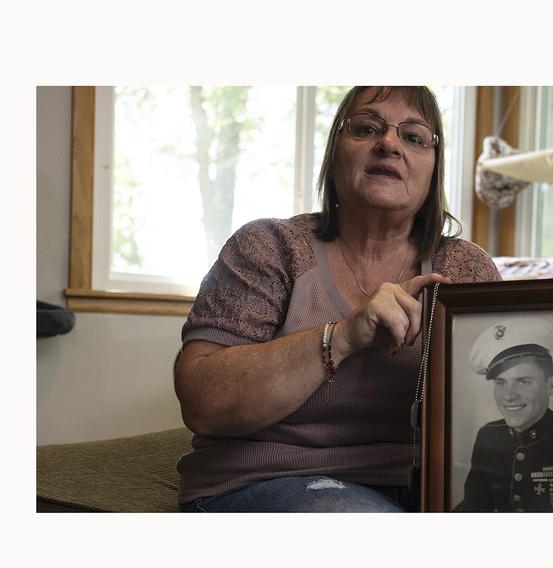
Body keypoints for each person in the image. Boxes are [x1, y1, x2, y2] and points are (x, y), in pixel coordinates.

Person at [173, 86, 500, 512]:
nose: (388, 144)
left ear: (434, 169)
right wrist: (343, 336)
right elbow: (205, 404)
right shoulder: (269, 247)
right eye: (367, 129)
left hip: (433, 486)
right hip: (272, 479)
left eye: (414, 137)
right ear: (336, 153)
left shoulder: (466, 269)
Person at [453, 317, 553, 512]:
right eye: (501, 383)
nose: (509, 396)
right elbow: (473, 510)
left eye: (524, 381)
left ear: (550, 385)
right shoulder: (489, 436)